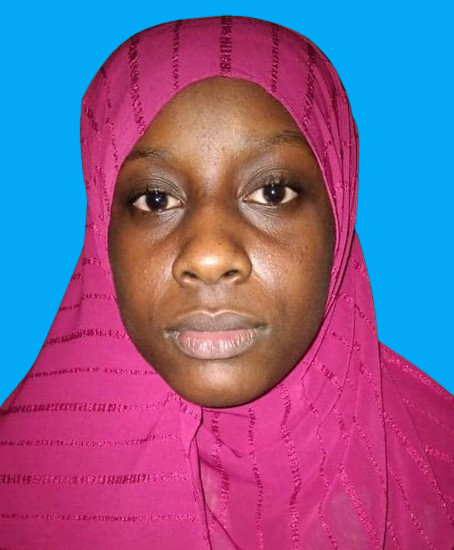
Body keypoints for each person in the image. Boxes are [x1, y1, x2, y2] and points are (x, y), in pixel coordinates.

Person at [0, 16, 452, 548]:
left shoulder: (439, 471)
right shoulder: (18, 492)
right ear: (102, 228)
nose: (210, 256)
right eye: (155, 199)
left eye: (273, 192)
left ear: (339, 203)